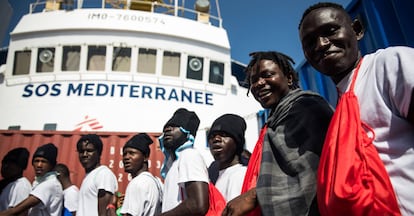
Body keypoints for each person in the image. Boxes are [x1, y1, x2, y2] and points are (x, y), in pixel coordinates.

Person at [298, 2, 414, 215]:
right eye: (310, 42)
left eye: (330, 31)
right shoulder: (338, 108)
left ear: (357, 30)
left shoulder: (389, 65)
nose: (321, 44)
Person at [222, 51, 334, 216]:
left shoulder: (306, 107)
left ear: (289, 78)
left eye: (267, 75)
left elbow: (318, 176)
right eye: (253, 80)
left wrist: (254, 196)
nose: (259, 83)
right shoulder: (275, 120)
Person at [158, 108, 209, 215]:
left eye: (175, 126)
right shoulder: (173, 163)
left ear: (188, 133)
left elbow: (198, 204)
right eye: (166, 127)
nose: (167, 129)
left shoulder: (189, 155)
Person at [0, 143, 64, 216]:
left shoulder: (50, 184)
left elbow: (17, 210)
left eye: (44, 162)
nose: (39, 165)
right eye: (36, 161)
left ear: (52, 165)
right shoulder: (40, 183)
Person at [120, 133, 163, 216]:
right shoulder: (158, 182)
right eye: (124, 154)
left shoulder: (137, 183)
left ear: (145, 157)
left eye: (132, 153)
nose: (126, 157)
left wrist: (111, 207)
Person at [208, 114, 247, 202]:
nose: (216, 139)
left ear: (237, 142)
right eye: (212, 136)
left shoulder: (240, 174)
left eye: (223, 135)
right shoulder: (214, 175)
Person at [76, 134, 118, 216]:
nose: (85, 154)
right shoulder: (89, 176)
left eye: (89, 150)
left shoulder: (103, 174)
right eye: (81, 151)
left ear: (99, 153)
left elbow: (104, 213)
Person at [0, 147, 32, 215]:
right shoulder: (6, 184)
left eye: (10, 164)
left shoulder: (21, 186)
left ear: (20, 167)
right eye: (4, 163)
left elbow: (21, 213)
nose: (5, 166)